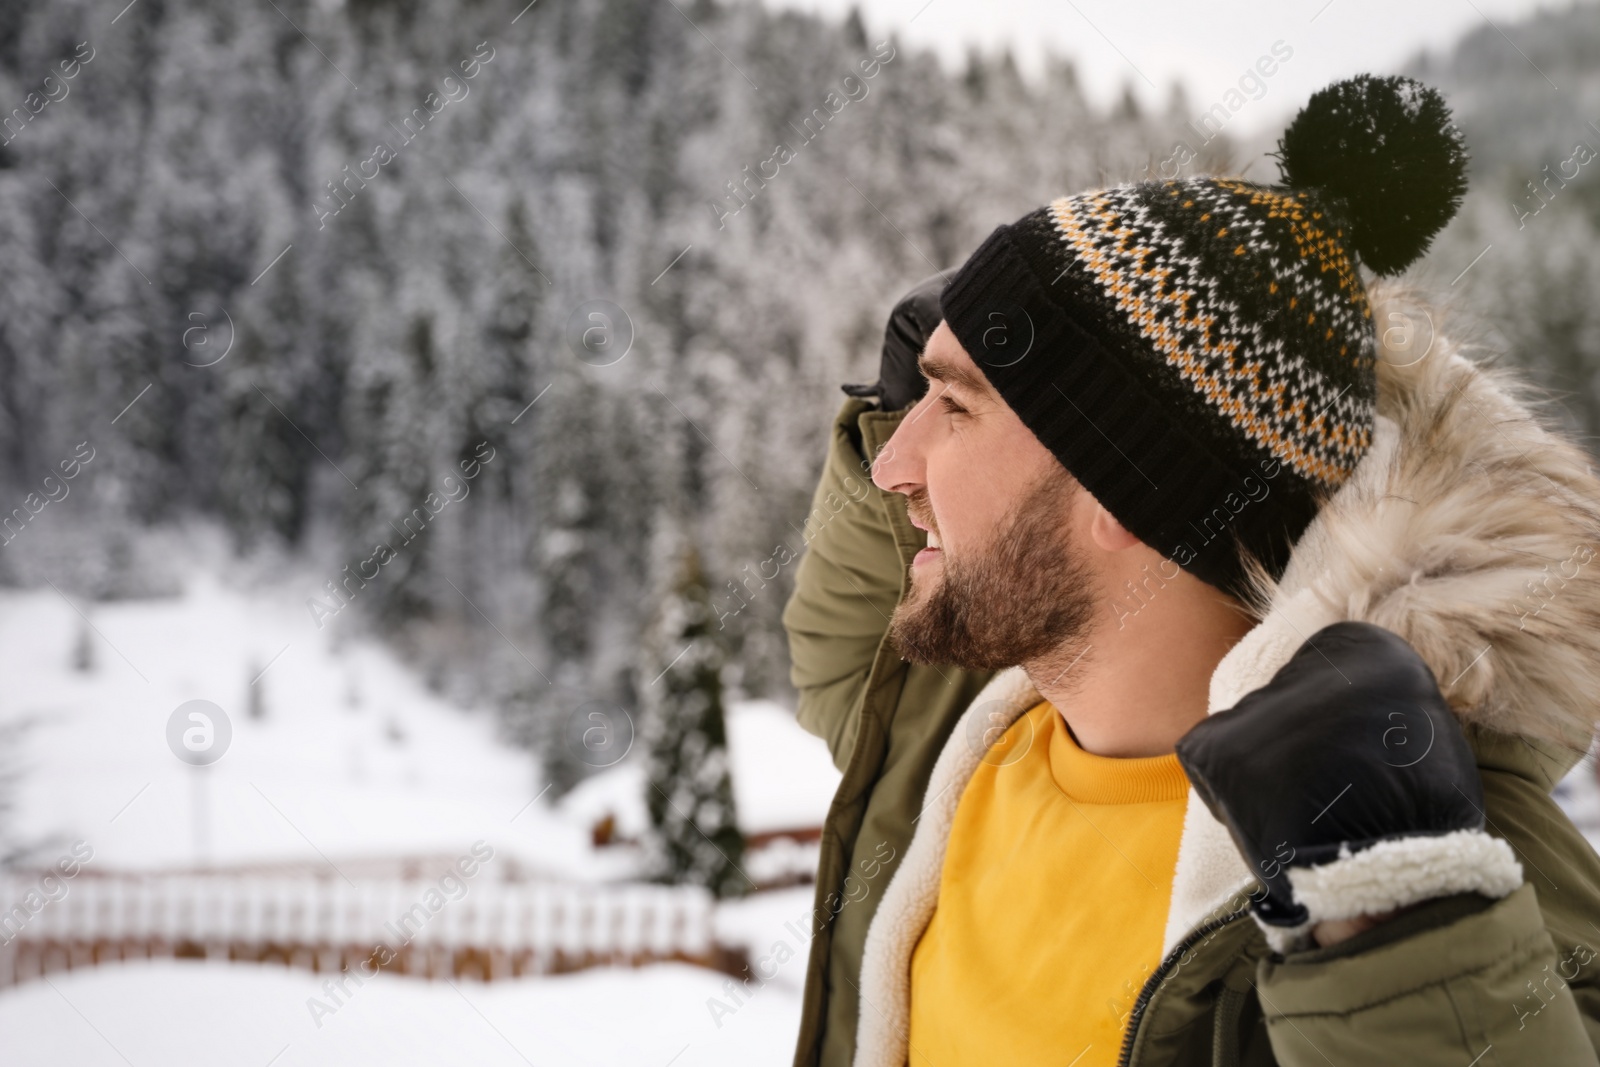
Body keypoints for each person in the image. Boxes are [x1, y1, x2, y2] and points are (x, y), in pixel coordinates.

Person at [782, 73, 1600, 1066]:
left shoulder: (1443, 869)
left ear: (1119, 490)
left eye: (950, 408)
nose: (887, 462)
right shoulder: (950, 737)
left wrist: (1399, 935)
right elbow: (842, 663)